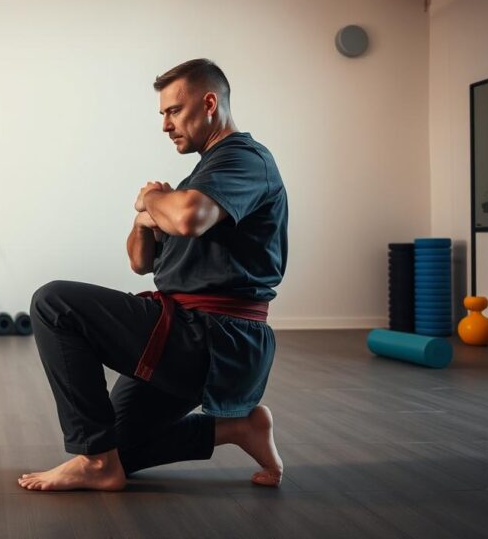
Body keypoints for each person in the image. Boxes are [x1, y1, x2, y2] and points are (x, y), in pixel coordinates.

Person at [19, 59, 288, 492]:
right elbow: (140, 262)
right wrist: (145, 218)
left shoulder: (244, 159)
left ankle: (94, 464)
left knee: (54, 303)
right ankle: (239, 429)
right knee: (116, 448)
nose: (165, 124)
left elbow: (188, 220)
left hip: (213, 339)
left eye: (174, 111)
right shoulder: (200, 177)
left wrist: (155, 197)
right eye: (162, 114)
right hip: (191, 336)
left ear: (210, 103)